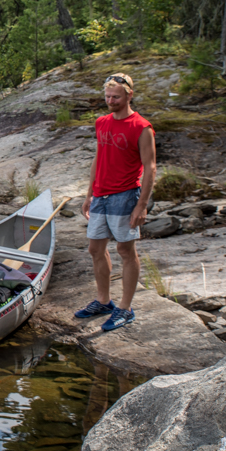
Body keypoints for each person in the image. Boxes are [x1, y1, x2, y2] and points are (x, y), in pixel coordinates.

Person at [77, 72, 156, 331]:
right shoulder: (102, 122)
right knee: (95, 249)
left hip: (125, 195)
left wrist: (141, 205)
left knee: (125, 251)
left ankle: (125, 308)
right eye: (108, 96)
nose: (111, 101)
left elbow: (150, 167)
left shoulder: (141, 127)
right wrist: (89, 194)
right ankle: (103, 301)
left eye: (116, 97)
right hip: (100, 195)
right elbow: (98, 158)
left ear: (129, 95)